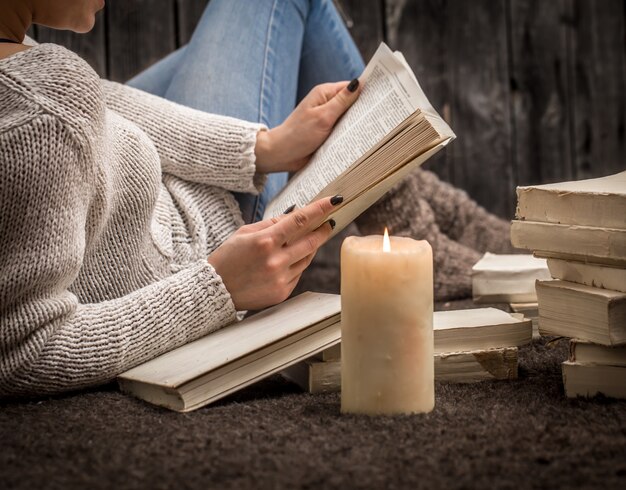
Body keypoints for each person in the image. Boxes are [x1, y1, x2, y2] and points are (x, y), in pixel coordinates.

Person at [0, 0, 511, 397]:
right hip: (208, 243)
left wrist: (265, 148)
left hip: (150, 193)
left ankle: (425, 217)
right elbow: (19, 351)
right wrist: (219, 285)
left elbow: (101, 99)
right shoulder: (46, 106)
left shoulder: (36, 76)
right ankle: (419, 225)